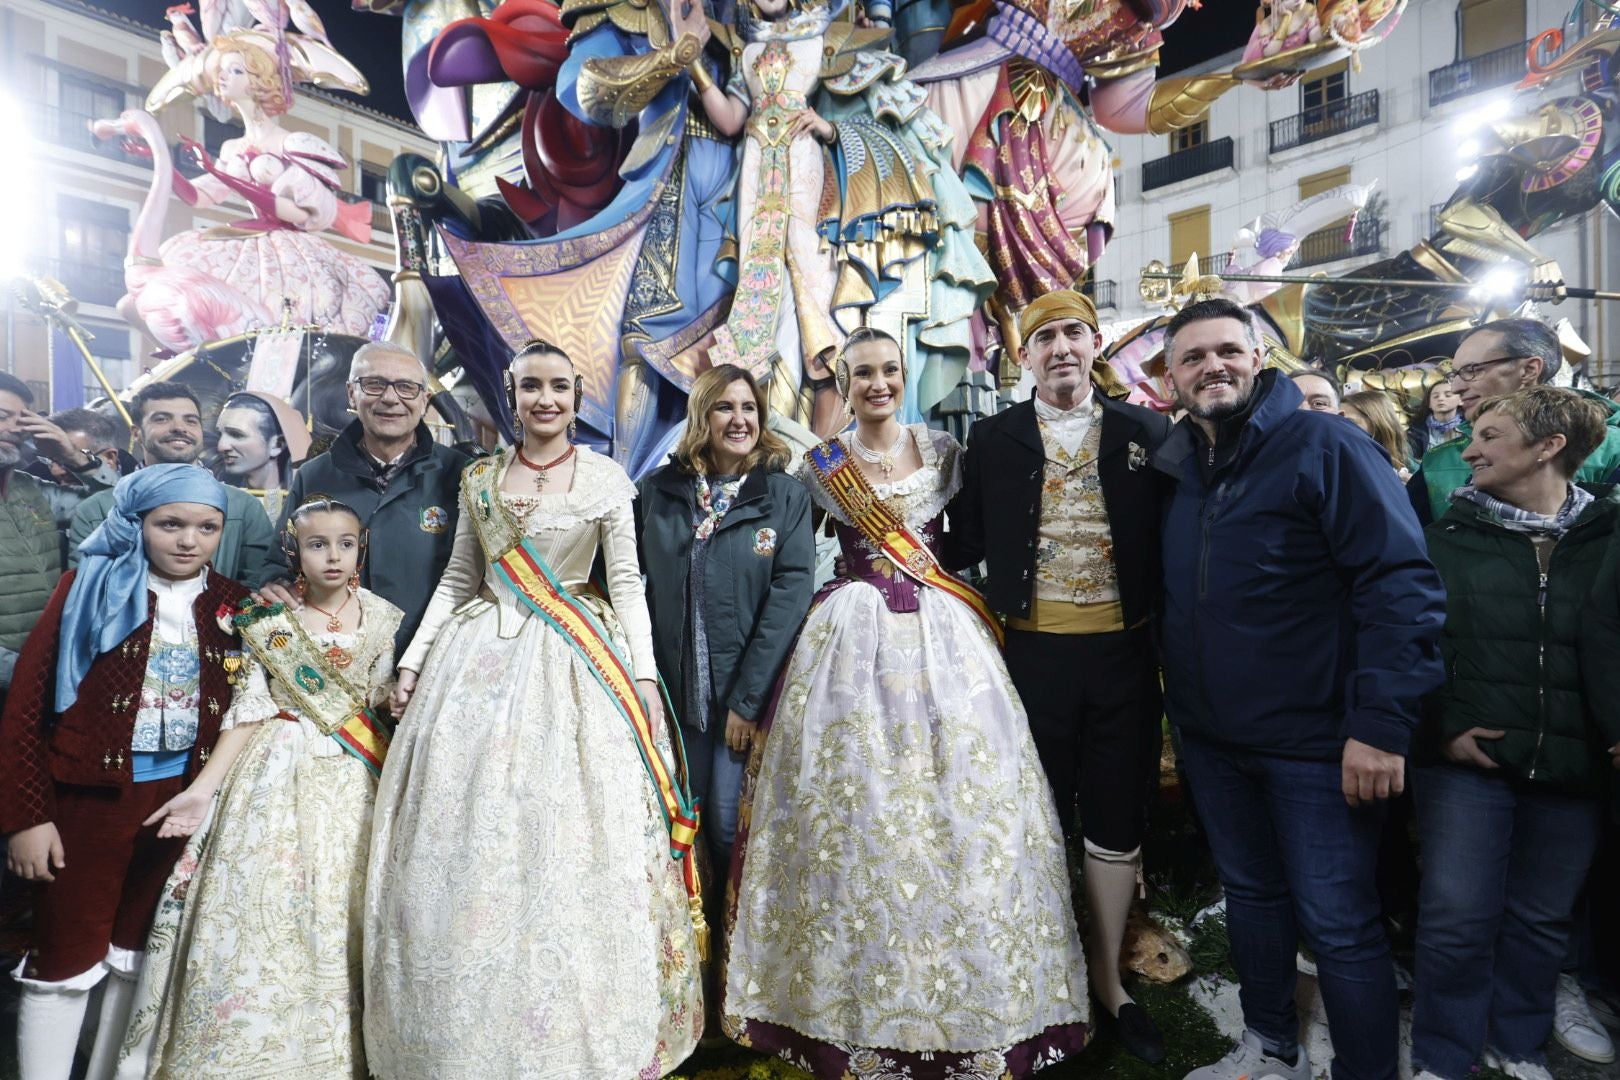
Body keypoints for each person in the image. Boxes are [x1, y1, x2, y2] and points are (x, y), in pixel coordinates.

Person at [722, 328, 1091, 1078]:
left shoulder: (946, 453)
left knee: (967, 801)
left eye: (890, 370)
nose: (879, 384)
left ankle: (987, 996)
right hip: (850, 641)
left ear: (905, 374)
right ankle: (840, 1003)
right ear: (845, 381)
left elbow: (963, 541)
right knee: (852, 805)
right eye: (864, 374)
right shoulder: (820, 466)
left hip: (945, 639)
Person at [364, 341, 703, 1078]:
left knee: (574, 837)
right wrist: (416, 660)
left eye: (558, 387)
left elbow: (630, 585)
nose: (544, 400)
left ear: (577, 396)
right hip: (478, 663)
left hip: (579, 663)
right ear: (509, 396)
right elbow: (458, 578)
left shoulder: (607, 478)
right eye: (529, 388)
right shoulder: (480, 478)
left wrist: (643, 678)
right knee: (472, 835)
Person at [1155, 298, 1446, 1080]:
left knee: (1341, 925)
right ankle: (1272, 1046)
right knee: (1253, 900)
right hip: (1214, 741)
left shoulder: (1326, 444)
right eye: (1192, 357)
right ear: (1172, 378)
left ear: (1258, 358)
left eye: (1226, 351)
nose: (1211, 366)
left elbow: (1400, 585)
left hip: (1316, 744)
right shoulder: (1180, 464)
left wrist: (1382, 724)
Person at [946, 289, 1172, 1063]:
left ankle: (1110, 981)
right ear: (1024, 357)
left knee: (1114, 819)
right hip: (1030, 658)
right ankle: (1043, 977)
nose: (1060, 347)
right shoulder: (994, 437)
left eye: (1073, 332)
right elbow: (959, 538)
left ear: (1096, 342)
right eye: (1043, 338)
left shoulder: (1148, 430)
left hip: (1126, 658)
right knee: (1031, 821)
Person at [122, 498, 401, 1079]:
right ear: (292, 551)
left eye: (345, 544)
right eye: (317, 544)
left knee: (346, 906)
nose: (333, 556)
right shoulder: (268, 619)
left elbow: (374, 700)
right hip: (277, 768)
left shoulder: (382, 616)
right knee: (270, 903)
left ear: (361, 549)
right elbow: (248, 707)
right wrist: (203, 790)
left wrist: (397, 699)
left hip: (355, 776)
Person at [0, 466, 247, 1080]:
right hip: (87, 805)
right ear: (135, 523)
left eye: (207, 528)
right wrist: (28, 819)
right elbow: (26, 709)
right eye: (170, 524)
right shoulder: (84, 588)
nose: (189, 540)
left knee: (138, 957)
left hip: (179, 802)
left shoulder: (233, 603)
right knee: (64, 958)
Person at [1410, 387, 1620, 1080]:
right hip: (1470, 766)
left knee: (1541, 919)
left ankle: (1521, 1044)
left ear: (1548, 447)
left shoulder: (1609, 540)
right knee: (1455, 918)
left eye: (1490, 435)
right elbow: (1412, 647)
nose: (1469, 449)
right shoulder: (1446, 537)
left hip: (1574, 763)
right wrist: (1439, 733)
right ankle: (1445, 1054)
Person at [636, 364, 814, 882]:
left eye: (749, 408)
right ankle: (687, 950)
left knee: (725, 826)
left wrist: (746, 702)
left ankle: (730, 950)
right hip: (674, 698)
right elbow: (627, 583)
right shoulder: (658, 493)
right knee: (675, 823)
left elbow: (789, 597)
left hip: (742, 700)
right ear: (701, 416)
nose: (740, 420)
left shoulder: (784, 497)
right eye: (725, 407)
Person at [267, 343, 470, 654]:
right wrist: (275, 586)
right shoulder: (314, 475)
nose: (390, 398)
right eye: (374, 384)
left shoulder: (461, 475)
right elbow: (278, 565)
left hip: (431, 660)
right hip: (338, 662)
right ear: (351, 393)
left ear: (424, 400)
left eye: (406, 387)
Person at [1409, 318, 1620, 524]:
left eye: (1472, 370)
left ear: (1529, 370)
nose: (1456, 387)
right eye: (1454, 374)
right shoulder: (1438, 462)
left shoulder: (1611, 451)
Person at [69, 382, 278, 588]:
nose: (179, 428)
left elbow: (259, 587)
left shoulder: (242, 507)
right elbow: (84, 593)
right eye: (161, 419)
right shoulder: (96, 510)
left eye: (191, 421)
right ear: (136, 432)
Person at [0, 375, 120, 702]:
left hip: (46, 667)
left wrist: (74, 457)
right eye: (2, 417)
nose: (14, 428)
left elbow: (119, 505)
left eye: (22, 419)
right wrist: (26, 672)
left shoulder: (32, 490)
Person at [213, 390, 310, 520]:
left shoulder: (303, 507)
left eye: (237, 435)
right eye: (220, 434)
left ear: (277, 445)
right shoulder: (219, 498)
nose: (221, 446)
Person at [24, 408, 125, 487]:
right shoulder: (36, 477)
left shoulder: (136, 490)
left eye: (68, 460)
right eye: (51, 461)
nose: (56, 471)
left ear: (109, 458)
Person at [1342, 390, 1414, 480]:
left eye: (1348, 422)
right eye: (1337, 420)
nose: (1339, 427)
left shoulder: (1414, 471)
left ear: (1377, 423)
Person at [1406, 378, 1463, 463]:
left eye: (1448, 395)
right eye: (1435, 396)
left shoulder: (1471, 427)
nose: (1440, 399)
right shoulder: (1415, 433)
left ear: (1461, 400)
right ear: (1429, 403)